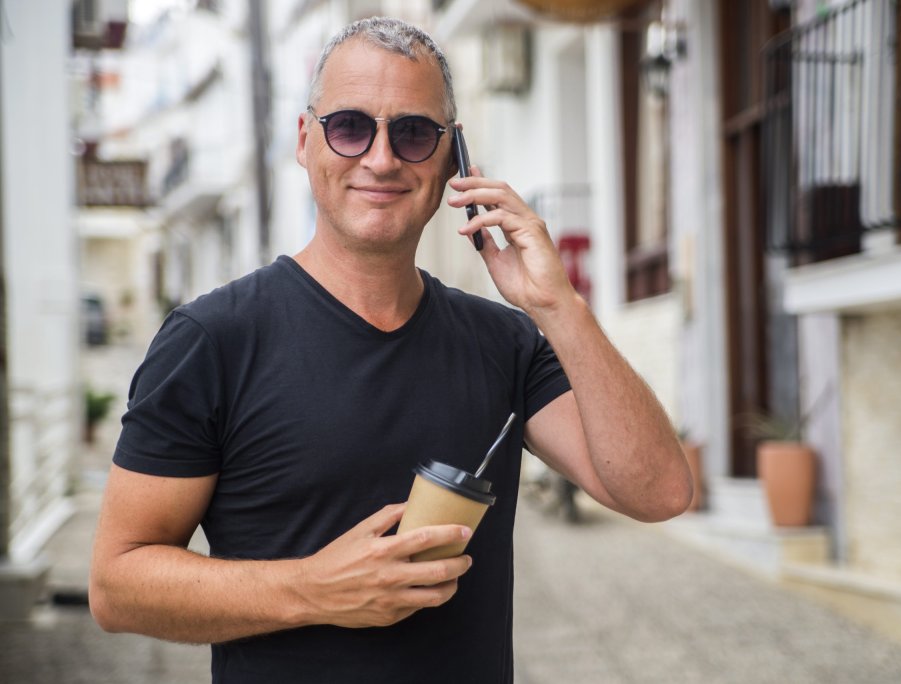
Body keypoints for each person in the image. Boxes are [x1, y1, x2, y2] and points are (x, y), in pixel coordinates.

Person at [89, 16, 692, 684]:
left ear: (451, 156)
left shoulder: (505, 342)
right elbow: (117, 586)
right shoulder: (213, 340)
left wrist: (559, 305)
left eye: (412, 133)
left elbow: (658, 491)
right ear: (304, 139)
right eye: (350, 126)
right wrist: (315, 588)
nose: (380, 159)